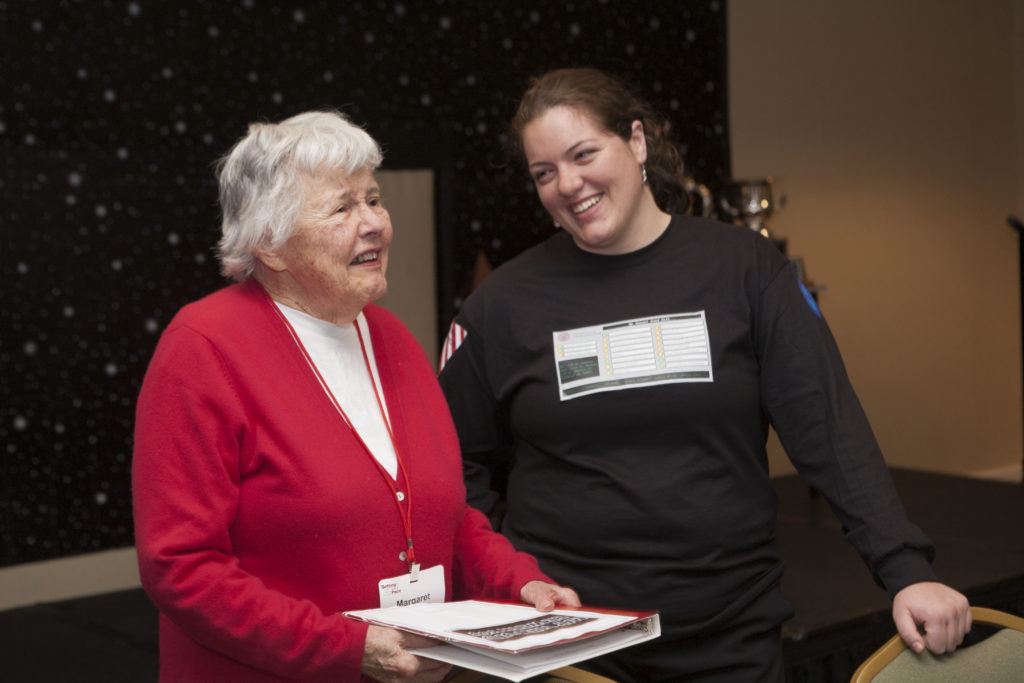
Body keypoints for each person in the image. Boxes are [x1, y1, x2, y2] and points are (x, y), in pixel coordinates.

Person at [437, 68, 971, 682]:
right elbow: (453, 466)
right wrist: (502, 581)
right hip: (568, 645)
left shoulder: (745, 269)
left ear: (636, 142)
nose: (569, 184)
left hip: (728, 635)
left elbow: (827, 426)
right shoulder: (502, 304)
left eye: (584, 154)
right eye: (544, 173)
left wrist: (905, 569)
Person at [132, 110, 579, 683]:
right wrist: (345, 646)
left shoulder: (393, 338)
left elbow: (446, 516)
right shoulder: (203, 349)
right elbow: (181, 567)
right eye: (342, 208)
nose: (373, 224)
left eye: (373, 199)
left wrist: (518, 582)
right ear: (269, 244)